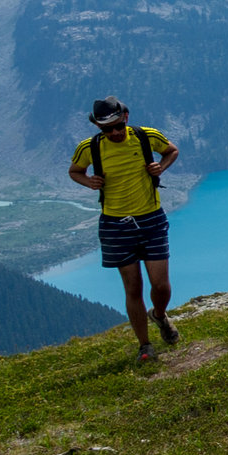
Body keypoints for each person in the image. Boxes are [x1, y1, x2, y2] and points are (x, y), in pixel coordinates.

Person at [67, 96, 181, 362]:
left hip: (151, 218)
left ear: (126, 117)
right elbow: (75, 171)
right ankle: (145, 346)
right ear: (97, 126)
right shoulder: (89, 148)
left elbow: (172, 150)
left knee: (161, 285)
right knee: (133, 288)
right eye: (107, 129)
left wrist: (159, 167)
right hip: (115, 224)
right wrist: (89, 182)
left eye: (118, 126)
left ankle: (160, 315)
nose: (115, 133)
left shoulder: (146, 136)